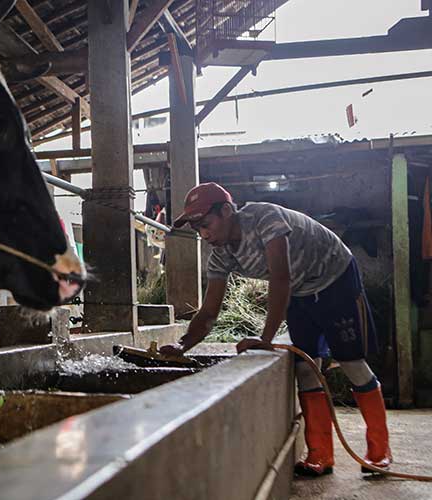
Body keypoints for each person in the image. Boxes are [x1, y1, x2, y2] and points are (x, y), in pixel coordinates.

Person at [159, 182, 391, 477]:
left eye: (206, 224)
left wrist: (265, 339)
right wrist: (182, 345)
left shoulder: (265, 219)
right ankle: (320, 454)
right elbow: (209, 312)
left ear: (227, 211)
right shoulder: (221, 255)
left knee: (352, 364)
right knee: (306, 368)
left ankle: (379, 452)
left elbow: (280, 278)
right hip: (300, 289)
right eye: (197, 229)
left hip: (335, 277)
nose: (203, 234)